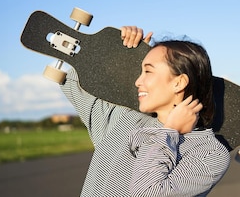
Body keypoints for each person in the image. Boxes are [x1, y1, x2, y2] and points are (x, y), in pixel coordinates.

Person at [61, 26, 230, 196]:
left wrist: (169, 132)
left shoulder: (209, 152)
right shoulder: (123, 119)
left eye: (148, 71)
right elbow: (72, 81)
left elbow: (146, 193)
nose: (137, 81)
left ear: (178, 83)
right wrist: (121, 54)